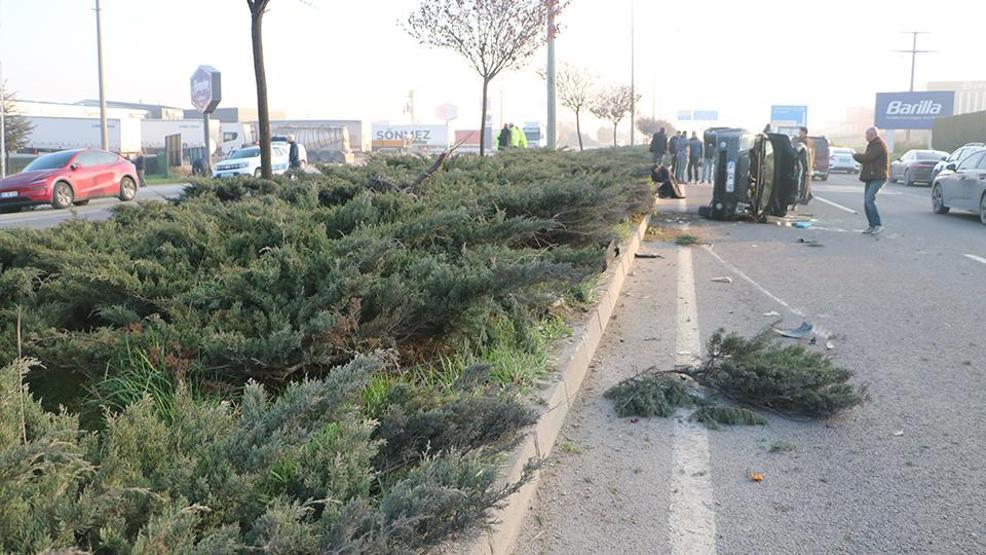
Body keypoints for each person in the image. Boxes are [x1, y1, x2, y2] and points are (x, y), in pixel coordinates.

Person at [852, 127, 889, 235]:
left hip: (878, 177)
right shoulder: (872, 144)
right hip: (871, 177)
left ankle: (878, 225)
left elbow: (868, 158)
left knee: (869, 200)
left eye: (866, 134)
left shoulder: (878, 144)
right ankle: (871, 226)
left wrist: (855, 155)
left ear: (872, 134)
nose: (865, 137)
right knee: (866, 202)